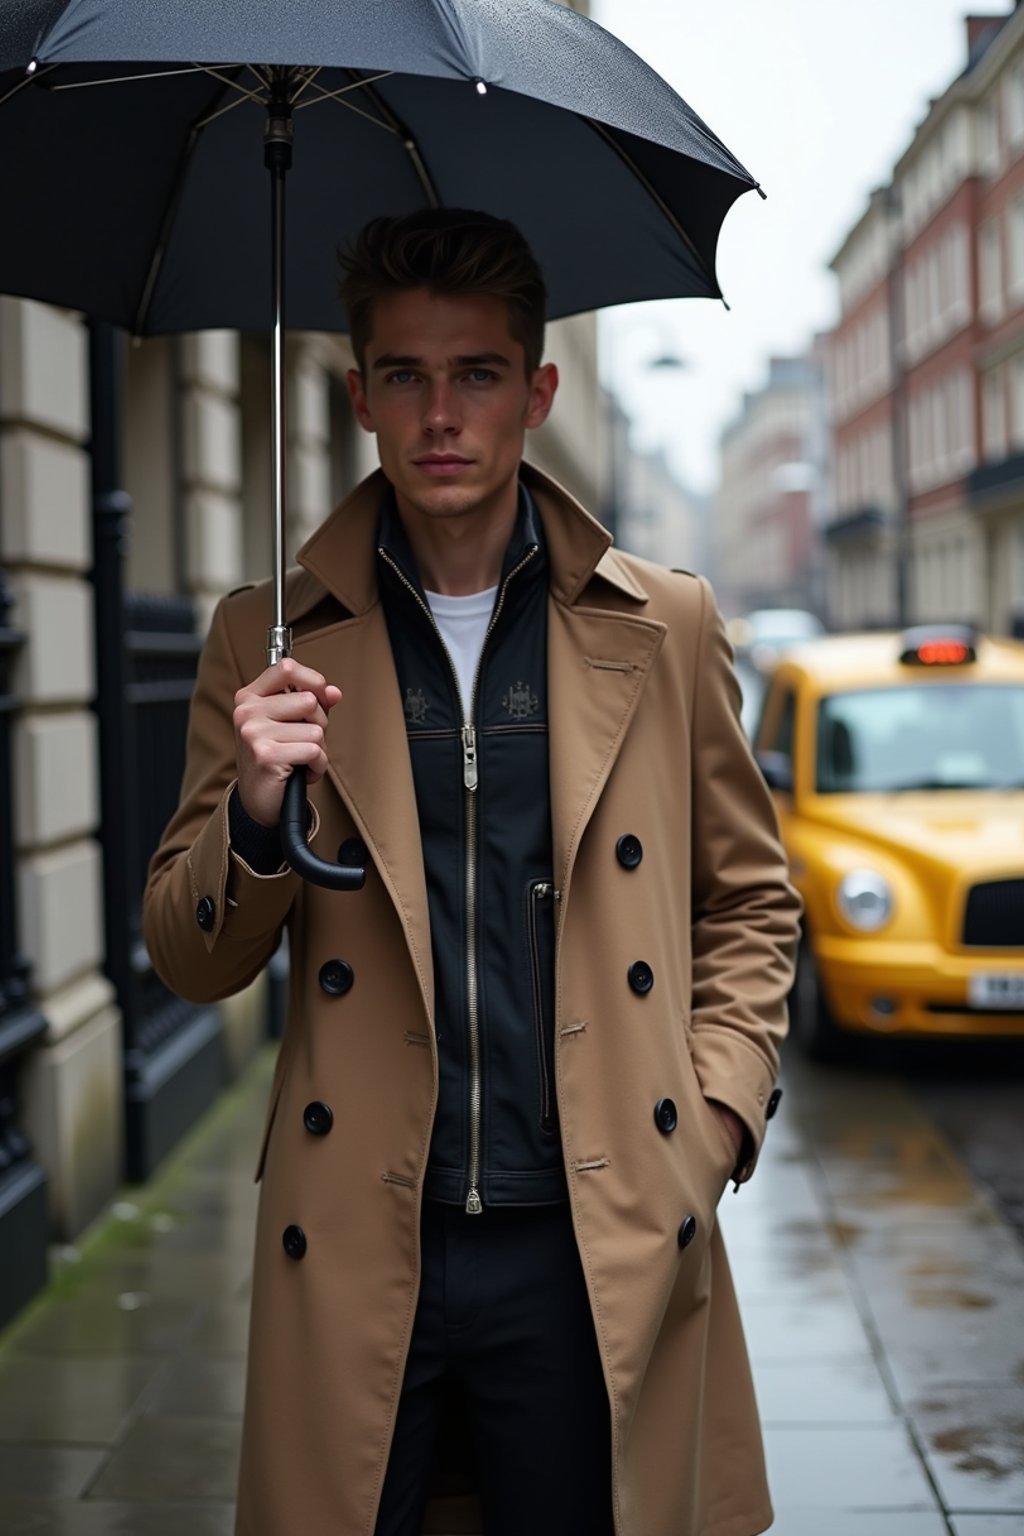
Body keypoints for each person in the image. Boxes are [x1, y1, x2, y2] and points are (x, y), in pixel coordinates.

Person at [143, 208, 802, 1536]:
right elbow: (189, 951)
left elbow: (749, 899)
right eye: (406, 375)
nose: (442, 413)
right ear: (360, 397)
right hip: (361, 1240)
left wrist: (715, 1116)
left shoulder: (661, 626)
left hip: (589, 1236)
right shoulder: (264, 640)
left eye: (478, 375)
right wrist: (259, 809)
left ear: (536, 392)